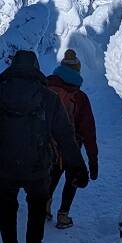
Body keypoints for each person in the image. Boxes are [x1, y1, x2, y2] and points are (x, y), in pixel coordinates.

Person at [0, 49, 88, 243]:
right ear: (35, 69)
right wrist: (77, 168)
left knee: (7, 212)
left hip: (5, 168)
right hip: (39, 169)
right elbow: (65, 136)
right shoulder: (49, 99)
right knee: (35, 213)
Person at [45, 49, 99, 229]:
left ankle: (44, 207)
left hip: (47, 143)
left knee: (52, 174)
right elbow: (88, 130)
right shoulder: (80, 97)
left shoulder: (46, 87)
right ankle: (63, 215)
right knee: (72, 178)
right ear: (77, 71)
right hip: (71, 147)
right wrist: (92, 159)